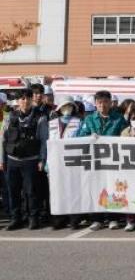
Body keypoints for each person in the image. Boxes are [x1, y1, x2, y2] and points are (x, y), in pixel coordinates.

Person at [77, 90, 128, 231]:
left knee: (113, 188)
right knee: (96, 189)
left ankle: (113, 218)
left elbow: (125, 136)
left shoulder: (119, 119)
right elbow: (80, 136)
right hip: (95, 160)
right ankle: (97, 219)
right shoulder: (89, 119)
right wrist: (89, 137)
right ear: (95, 104)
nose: (102, 105)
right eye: (99, 103)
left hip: (113, 159)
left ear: (111, 103)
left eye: (105, 102)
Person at [1, 88, 48, 230]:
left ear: (32, 99)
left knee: (31, 191)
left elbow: (44, 141)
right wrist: (2, 160)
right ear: (18, 101)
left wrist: (42, 160)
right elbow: (3, 140)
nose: (25, 101)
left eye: (28, 98)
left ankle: (33, 218)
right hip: (12, 159)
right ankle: (16, 218)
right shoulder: (10, 117)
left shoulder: (40, 117)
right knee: (13, 191)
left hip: (31, 160)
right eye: (22, 98)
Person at [42, 95, 83, 230]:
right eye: (64, 106)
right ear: (59, 108)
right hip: (55, 162)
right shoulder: (51, 123)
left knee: (73, 190)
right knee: (56, 191)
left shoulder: (79, 122)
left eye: (69, 106)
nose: (67, 108)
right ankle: (58, 219)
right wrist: (46, 161)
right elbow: (47, 144)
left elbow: (83, 140)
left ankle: (74, 219)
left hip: (73, 161)